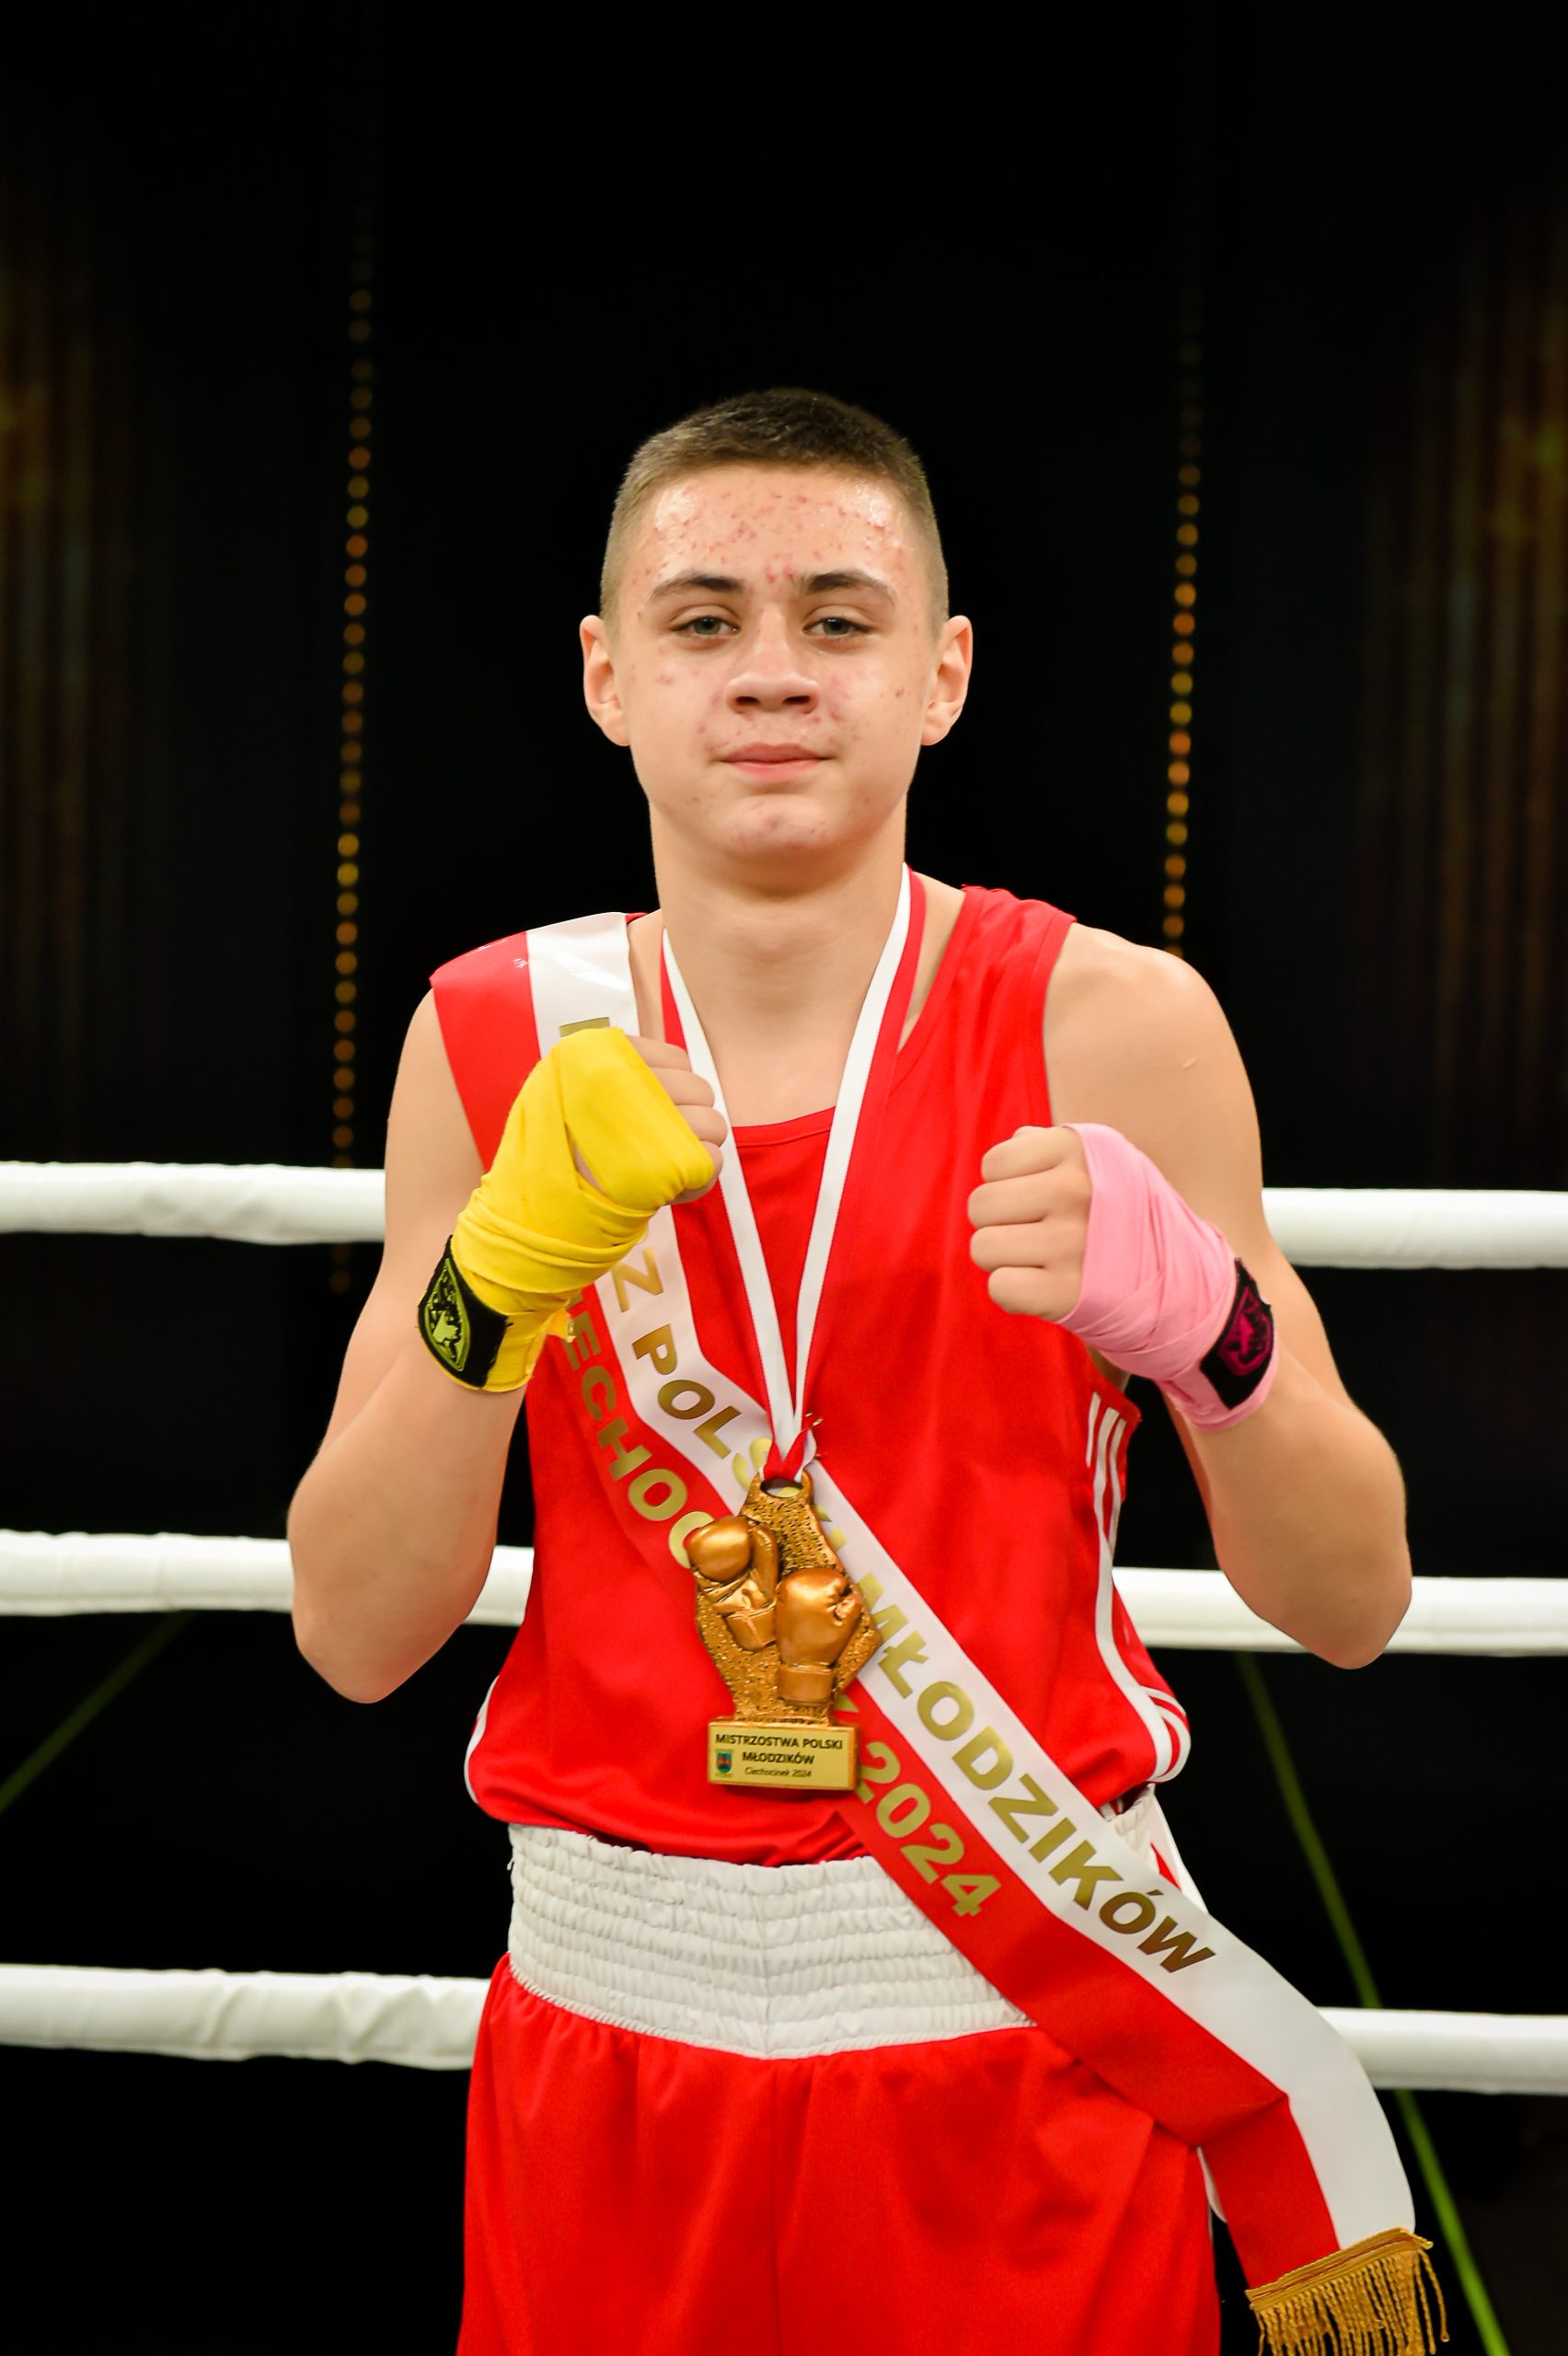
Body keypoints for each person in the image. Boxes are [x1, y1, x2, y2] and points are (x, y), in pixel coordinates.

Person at [287, 389, 1438, 2356]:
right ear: (609, 677)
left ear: (942, 674)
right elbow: (353, 1626)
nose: (773, 671)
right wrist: (497, 1279)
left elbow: (1353, 1596)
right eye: (706, 619)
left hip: (1024, 2026)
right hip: (612, 2054)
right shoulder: (494, 1032)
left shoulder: (1113, 1025)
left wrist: (1212, 1335)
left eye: (838, 616)